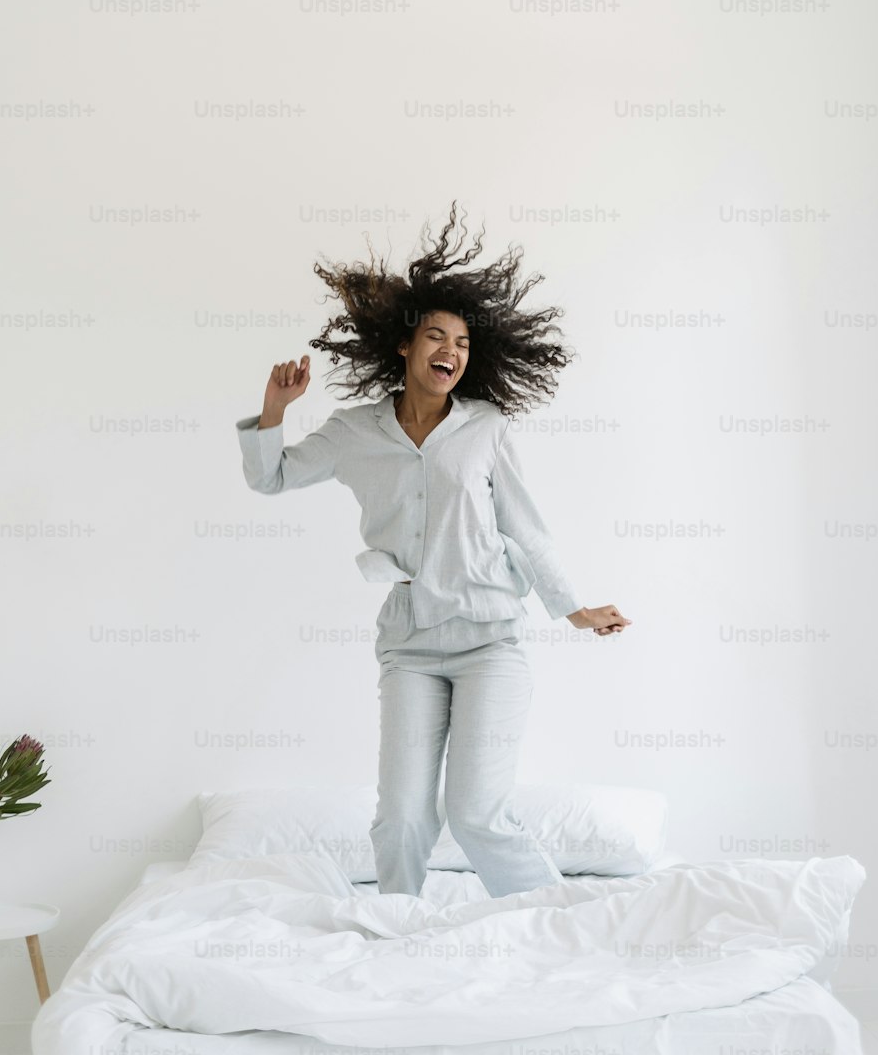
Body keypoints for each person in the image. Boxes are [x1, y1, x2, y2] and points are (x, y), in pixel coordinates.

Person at [235, 202, 631, 899]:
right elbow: (270, 477)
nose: (451, 350)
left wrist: (572, 609)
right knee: (402, 820)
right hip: (412, 647)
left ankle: (559, 920)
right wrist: (274, 411)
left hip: (490, 643)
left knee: (474, 813)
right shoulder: (354, 432)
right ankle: (398, 931)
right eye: (436, 337)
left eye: (463, 343)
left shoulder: (485, 429)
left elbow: (525, 527)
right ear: (403, 347)